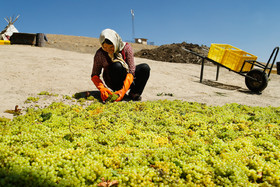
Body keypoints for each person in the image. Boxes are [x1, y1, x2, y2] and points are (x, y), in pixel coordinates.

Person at [91, 28, 150, 102]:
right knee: (117, 65)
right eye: (105, 47)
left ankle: (134, 93)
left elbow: (131, 71)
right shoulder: (100, 54)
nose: (109, 50)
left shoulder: (126, 47)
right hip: (112, 80)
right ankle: (117, 91)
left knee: (145, 68)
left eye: (111, 47)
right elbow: (94, 74)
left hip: (128, 79)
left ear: (115, 42)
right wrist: (102, 89)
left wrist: (124, 90)